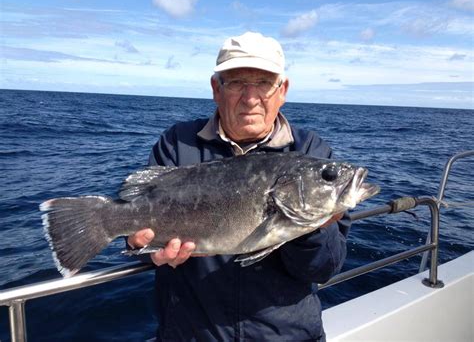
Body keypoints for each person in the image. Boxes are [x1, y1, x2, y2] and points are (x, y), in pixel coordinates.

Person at [128, 31, 349, 341]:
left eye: (263, 83)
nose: (251, 98)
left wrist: (308, 227)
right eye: (236, 83)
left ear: (282, 90)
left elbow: (325, 267)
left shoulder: (312, 152)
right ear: (216, 89)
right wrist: (141, 247)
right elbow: (138, 228)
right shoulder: (176, 144)